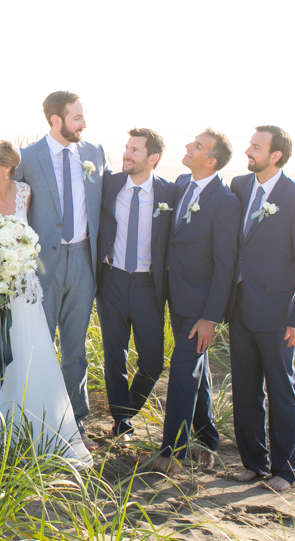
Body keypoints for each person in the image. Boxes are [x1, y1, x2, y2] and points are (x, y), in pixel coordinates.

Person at [0, 141, 91, 467]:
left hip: (22, 290)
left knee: (25, 351)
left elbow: (32, 235)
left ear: (8, 166)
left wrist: (16, 258)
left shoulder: (25, 193)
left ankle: (24, 422)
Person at [228, 125, 295, 491]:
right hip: (240, 310)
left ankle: (285, 470)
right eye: (250, 145)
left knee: (281, 391)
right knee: (245, 389)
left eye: (256, 147)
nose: (248, 151)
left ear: (276, 156)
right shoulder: (239, 186)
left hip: (279, 316)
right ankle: (254, 462)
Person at [15, 91, 107, 449]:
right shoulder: (27, 157)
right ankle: (36, 416)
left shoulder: (95, 153)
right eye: (77, 118)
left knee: (75, 346)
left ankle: (75, 419)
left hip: (84, 260)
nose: (84, 124)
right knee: (38, 342)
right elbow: (14, 207)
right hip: (42, 264)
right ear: (56, 121)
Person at [155, 129, 240, 473]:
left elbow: (225, 265)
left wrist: (210, 317)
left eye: (198, 146)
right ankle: (207, 442)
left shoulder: (225, 202)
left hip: (200, 305)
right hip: (174, 296)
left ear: (212, 160)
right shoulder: (180, 183)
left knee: (182, 368)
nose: (189, 147)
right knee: (197, 369)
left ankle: (172, 452)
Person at [96, 129, 177, 442]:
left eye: (135, 150)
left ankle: (127, 410)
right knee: (114, 356)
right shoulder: (109, 185)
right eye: (126, 148)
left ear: (152, 158)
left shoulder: (170, 193)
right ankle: (121, 422)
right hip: (112, 279)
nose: (126, 155)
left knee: (153, 362)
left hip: (148, 285)